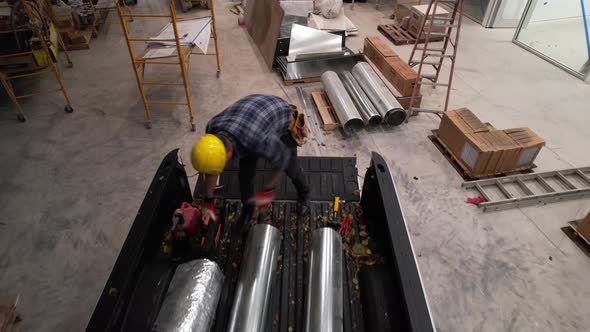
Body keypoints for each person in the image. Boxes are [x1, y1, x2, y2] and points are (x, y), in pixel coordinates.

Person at [191, 94, 310, 225]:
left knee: (291, 168)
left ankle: (305, 194)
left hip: (280, 115)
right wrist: (208, 200)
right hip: (252, 116)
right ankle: (248, 210)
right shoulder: (212, 128)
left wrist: (268, 190)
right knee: (245, 175)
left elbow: (283, 159)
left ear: (229, 155)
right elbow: (211, 170)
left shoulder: (258, 140)